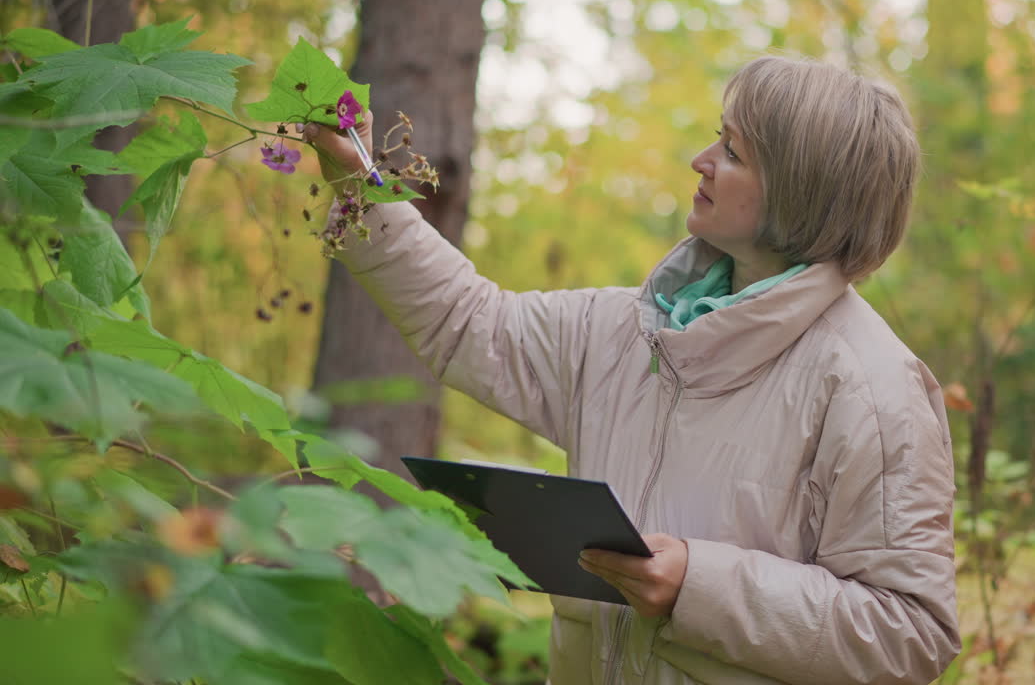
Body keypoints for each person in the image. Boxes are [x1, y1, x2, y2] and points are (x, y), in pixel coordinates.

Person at [304, 55, 960, 685]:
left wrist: (697, 586)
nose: (700, 163)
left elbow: (911, 632)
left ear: (800, 190)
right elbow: (466, 322)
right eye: (716, 141)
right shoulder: (623, 332)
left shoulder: (874, 390)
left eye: (732, 153)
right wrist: (360, 180)